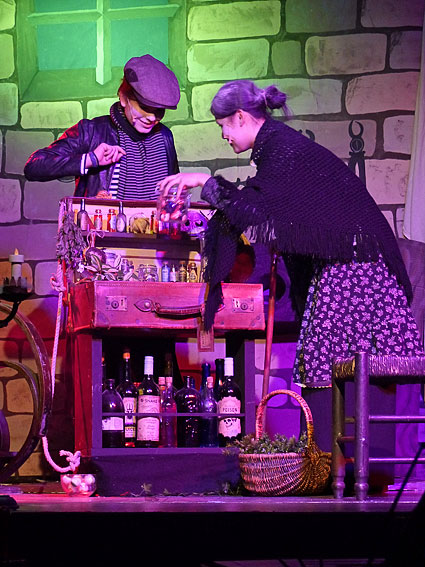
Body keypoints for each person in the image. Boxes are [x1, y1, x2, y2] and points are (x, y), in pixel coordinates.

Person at [158, 79, 424, 451]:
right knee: (328, 363)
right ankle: (330, 463)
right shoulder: (277, 148)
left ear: (240, 117)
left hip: (356, 273)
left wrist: (205, 181)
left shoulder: (282, 149)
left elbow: (254, 210)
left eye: (223, 125)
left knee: (341, 367)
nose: (222, 135)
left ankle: (345, 463)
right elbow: (269, 210)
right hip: (345, 267)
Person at [24, 54, 180, 199]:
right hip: (105, 221)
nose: (152, 118)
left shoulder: (165, 136)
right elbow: (34, 166)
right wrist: (90, 159)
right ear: (123, 97)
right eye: (144, 107)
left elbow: (174, 193)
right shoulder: (92, 131)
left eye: (159, 110)